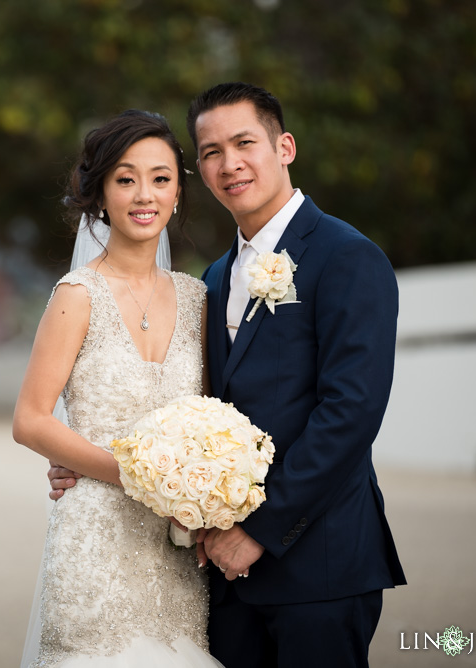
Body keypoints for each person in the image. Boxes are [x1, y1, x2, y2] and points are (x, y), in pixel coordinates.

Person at [50, 82, 407, 668]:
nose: (229, 163)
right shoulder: (210, 281)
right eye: (211, 151)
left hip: (318, 561)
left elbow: (351, 413)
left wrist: (261, 530)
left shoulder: (348, 257)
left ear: (284, 147)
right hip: (220, 576)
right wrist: (91, 460)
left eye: (244, 143)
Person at [13, 110, 224, 667]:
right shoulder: (77, 295)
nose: (144, 194)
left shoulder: (199, 298)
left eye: (160, 178)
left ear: (179, 191)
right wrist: (138, 475)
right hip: (95, 545)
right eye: (125, 179)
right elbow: (31, 420)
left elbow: (211, 417)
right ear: (101, 194)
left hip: (174, 549)